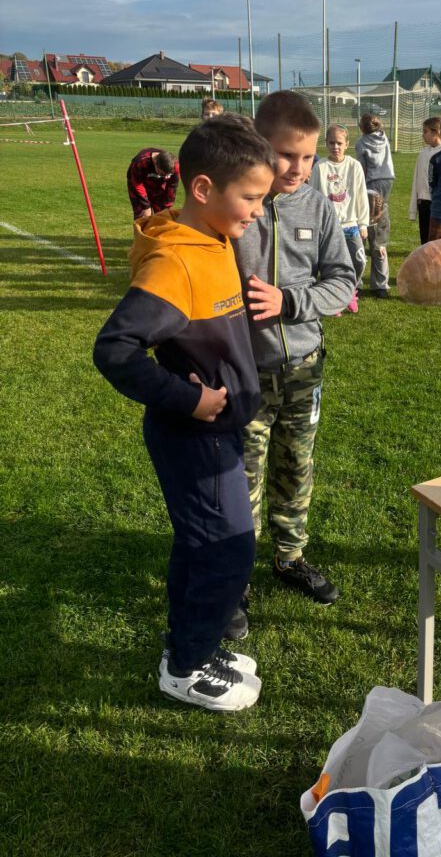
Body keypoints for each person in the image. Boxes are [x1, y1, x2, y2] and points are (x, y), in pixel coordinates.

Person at [93, 114, 276, 711]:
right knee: (228, 550)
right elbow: (114, 348)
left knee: (202, 546)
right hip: (192, 435)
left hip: (218, 430)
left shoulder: (212, 236)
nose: (257, 210)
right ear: (203, 191)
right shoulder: (175, 262)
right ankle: (187, 667)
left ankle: (189, 645)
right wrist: (188, 397)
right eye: (249, 197)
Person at [232, 92, 356, 625]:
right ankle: (233, 576)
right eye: (286, 155)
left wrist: (293, 303)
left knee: (296, 466)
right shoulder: (238, 204)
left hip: (304, 368)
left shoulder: (318, 207)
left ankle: (290, 558)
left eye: (307, 157)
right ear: (260, 147)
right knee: (242, 476)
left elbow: (344, 280)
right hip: (245, 373)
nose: (298, 168)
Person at [310, 124, 369, 313]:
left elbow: (361, 195)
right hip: (329, 226)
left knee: (359, 260)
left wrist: (363, 223)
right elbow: (313, 196)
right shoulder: (320, 167)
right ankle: (335, 298)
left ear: (347, 144)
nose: (335, 147)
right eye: (331, 143)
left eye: (339, 143)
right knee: (332, 265)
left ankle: (350, 290)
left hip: (351, 224)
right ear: (326, 143)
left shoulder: (354, 166)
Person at [355, 113, 395, 298]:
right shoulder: (384, 137)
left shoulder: (361, 143)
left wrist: (358, 190)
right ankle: (380, 285)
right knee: (379, 233)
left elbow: (361, 171)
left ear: (362, 127)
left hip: (370, 184)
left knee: (362, 229)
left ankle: (356, 282)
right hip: (387, 182)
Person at [408, 117, 441, 245]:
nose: (423, 135)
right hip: (423, 203)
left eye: (425, 132)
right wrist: (413, 209)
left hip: (438, 204)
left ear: (436, 132)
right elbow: (416, 182)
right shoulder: (423, 153)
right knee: (425, 240)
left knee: (438, 241)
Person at [126, 148, 179, 220]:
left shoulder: (175, 166)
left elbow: (172, 187)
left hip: (158, 185)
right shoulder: (141, 162)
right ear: (155, 163)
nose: (164, 176)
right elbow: (137, 184)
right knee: (142, 217)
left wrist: (167, 207)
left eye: (167, 175)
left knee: (162, 215)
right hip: (137, 183)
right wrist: (146, 206)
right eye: (161, 174)